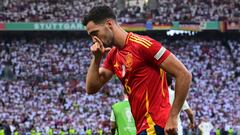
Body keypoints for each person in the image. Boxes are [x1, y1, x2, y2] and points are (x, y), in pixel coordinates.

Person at [83, 5, 192, 135]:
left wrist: (173, 117)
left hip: (155, 124)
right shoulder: (113, 55)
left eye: (95, 33)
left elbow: (184, 74)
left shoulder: (143, 45)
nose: (94, 40)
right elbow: (91, 88)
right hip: (142, 127)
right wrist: (96, 58)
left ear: (109, 24)